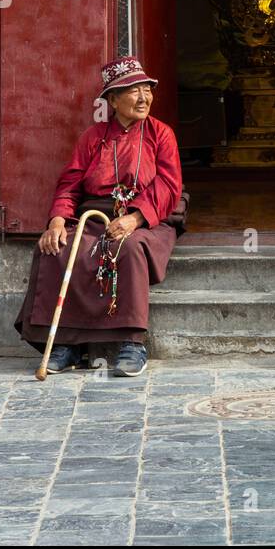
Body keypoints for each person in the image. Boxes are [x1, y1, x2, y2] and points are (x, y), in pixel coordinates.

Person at [15, 56, 185, 377]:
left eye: (146, 90)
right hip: (95, 216)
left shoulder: (161, 134)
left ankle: (132, 343)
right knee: (57, 249)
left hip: (148, 216)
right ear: (112, 100)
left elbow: (168, 185)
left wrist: (134, 218)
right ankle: (67, 345)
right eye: (133, 91)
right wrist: (57, 220)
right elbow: (70, 184)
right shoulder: (93, 137)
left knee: (130, 248)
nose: (143, 97)